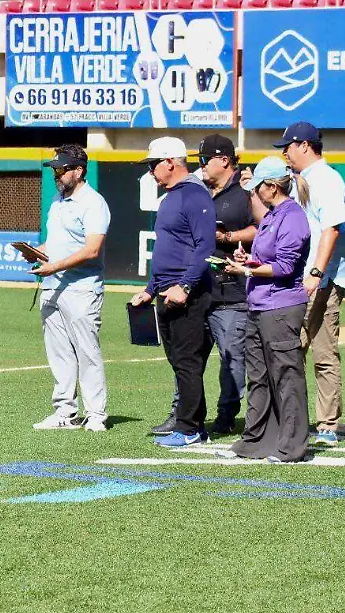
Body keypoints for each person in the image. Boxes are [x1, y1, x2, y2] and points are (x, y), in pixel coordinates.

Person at [152, 135, 255, 436]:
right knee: (187, 359)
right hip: (202, 286)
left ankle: (226, 415)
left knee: (231, 359)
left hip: (230, 290)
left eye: (205, 160)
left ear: (224, 160)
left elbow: (262, 227)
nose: (201, 165)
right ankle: (182, 414)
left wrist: (227, 237)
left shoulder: (245, 194)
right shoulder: (197, 191)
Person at [218, 157, 312, 463]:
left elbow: (285, 267)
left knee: (286, 376)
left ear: (271, 187)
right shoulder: (272, 216)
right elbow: (268, 260)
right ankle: (257, 441)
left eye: (258, 187)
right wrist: (249, 262)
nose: (255, 193)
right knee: (258, 376)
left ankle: (291, 446)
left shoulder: (293, 217)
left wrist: (246, 271)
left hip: (281, 307)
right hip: (259, 304)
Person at [130, 137, 216, 448]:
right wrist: (150, 290)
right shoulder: (170, 198)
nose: (150, 171)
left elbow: (205, 246)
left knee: (187, 362)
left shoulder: (193, 195)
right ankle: (194, 424)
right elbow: (166, 250)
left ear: (170, 162)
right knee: (179, 361)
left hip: (186, 294)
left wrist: (186, 286)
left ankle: (189, 428)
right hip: (166, 291)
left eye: (153, 164)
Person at [273, 122, 345, 446]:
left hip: (321, 279)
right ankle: (292, 419)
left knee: (322, 352)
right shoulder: (300, 179)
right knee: (293, 349)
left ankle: (327, 424)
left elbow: (331, 229)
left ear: (304, 145)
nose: (284, 152)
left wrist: (317, 273)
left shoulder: (327, 179)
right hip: (301, 278)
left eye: (288, 146)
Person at [21, 144, 110, 432]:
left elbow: (92, 249)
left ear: (79, 171)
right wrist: (37, 252)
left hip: (82, 288)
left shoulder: (93, 203)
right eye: (55, 170)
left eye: (61, 169)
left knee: (87, 352)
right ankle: (65, 412)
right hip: (53, 287)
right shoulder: (57, 201)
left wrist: (54, 266)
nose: (56, 174)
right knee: (59, 353)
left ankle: (95, 414)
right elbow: (56, 243)